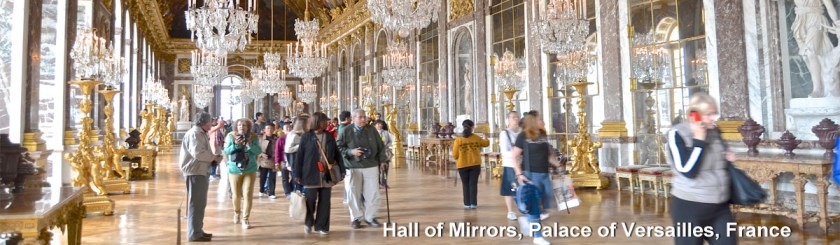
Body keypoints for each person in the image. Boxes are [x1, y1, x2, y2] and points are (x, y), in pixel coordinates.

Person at [667, 92, 735, 245]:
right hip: (689, 207)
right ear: (694, 115)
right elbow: (687, 170)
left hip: (719, 205)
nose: (713, 118)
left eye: (714, 114)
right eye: (708, 114)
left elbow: (716, 165)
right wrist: (698, 140)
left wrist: (726, 157)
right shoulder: (677, 134)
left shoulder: (715, 132)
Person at [511, 112, 562, 245]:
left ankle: (529, 219)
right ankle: (537, 236)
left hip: (544, 174)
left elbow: (548, 154)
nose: (543, 121)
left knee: (544, 205)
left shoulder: (543, 135)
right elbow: (515, 156)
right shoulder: (523, 136)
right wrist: (519, 174)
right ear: (533, 121)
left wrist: (559, 167)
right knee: (535, 206)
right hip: (530, 174)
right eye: (540, 119)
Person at [293, 112, 344, 235]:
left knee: (325, 202)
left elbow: (337, 154)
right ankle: (309, 222)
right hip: (310, 174)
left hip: (326, 175)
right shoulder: (306, 137)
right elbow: (299, 157)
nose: (326, 123)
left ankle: (322, 226)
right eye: (324, 121)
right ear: (316, 122)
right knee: (310, 201)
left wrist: (342, 170)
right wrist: (297, 174)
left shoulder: (329, 136)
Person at [337, 109, 388, 229]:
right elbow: (338, 147)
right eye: (360, 117)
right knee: (353, 192)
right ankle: (356, 217)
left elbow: (380, 146)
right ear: (353, 118)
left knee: (373, 192)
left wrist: (383, 160)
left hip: (371, 165)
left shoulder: (371, 130)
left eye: (364, 117)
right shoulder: (346, 130)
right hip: (353, 166)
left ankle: (370, 217)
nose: (364, 119)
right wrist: (351, 151)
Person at [179, 112, 222, 242]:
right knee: (196, 204)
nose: (212, 124)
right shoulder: (195, 133)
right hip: (195, 171)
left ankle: (198, 230)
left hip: (200, 170)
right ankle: (194, 234)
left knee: (200, 203)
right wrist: (214, 158)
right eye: (210, 121)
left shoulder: (200, 133)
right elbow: (198, 153)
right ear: (203, 122)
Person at [223, 118, 262, 229]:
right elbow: (226, 151)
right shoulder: (231, 136)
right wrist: (235, 144)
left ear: (248, 127)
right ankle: (237, 213)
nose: (242, 127)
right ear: (236, 126)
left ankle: (245, 219)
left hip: (250, 169)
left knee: (248, 194)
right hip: (234, 169)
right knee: (236, 195)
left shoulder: (253, 137)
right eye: (239, 125)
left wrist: (249, 144)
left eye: (244, 125)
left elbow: (258, 151)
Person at [451, 119, 490, 209]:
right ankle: (473, 204)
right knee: (473, 184)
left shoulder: (458, 140)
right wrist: (486, 137)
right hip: (475, 165)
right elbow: (485, 144)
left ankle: (467, 204)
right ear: (472, 128)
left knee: (465, 184)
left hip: (462, 165)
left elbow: (455, 155)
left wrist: (460, 157)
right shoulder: (476, 138)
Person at [499, 111, 521, 220]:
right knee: (511, 189)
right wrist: (516, 154)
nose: (516, 119)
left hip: (522, 164)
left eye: (517, 117)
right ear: (508, 119)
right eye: (513, 117)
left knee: (521, 187)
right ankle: (510, 211)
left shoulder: (522, 133)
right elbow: (504, 152)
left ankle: (524, 207)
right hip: (510, 165)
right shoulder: (505, 134)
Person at [285, 117, 308, 192]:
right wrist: (300, 146)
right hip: (296, 163)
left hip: (304, 163)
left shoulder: (304, 134)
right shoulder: (293, 134)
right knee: (299, 185)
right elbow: (288, 149)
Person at [258, 123, 278, 198]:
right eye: (268, 128)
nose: (269, 130)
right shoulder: (260, 138)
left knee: (272, 177)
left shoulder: (277, 139)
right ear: (264, 130)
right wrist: (261, 154)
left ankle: (272, 192)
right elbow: (256, 149)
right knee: (263, 176)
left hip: (273, 160)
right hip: (263, 160)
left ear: (274, 129)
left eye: (271, 128)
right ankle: (261, 190)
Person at [374, 121, 393, 188]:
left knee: (385, 169)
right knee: (377, 169)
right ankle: (377, 183)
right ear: (375, 125)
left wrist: (386, 145)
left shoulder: (386, 132)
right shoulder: (373, 133)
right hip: (376, 153)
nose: (380, 125)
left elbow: (390, 141)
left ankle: (384, 183)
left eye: (381, 124)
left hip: (385, 153)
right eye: (378, 124)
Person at [275, 124, 293, 197]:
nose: (288, 129)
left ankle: (291, 189)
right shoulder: (280, 139)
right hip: (283, 161)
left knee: (295, 177)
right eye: (286, 128)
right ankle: (287, 192)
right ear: (283, 130)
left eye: (289, 127)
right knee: (285, 177)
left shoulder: (294, 138)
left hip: (292, 160)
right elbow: (277, 151)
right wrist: (277, 162)